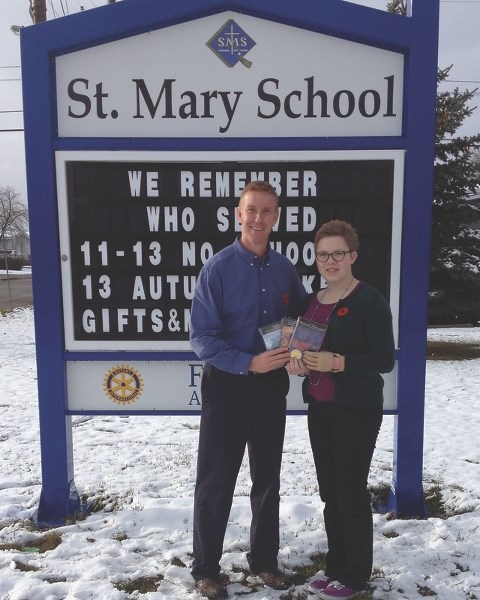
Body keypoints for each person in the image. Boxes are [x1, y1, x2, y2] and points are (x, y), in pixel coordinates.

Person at [189, 181, 306, 599]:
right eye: (251, 210)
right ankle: (205, 569)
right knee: (216, 481)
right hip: (227, 387)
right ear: (238, 214)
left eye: (267, 211)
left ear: (276, 217)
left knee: (267, 480)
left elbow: (299, 320)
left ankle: (265, 562)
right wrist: (247, 362)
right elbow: (202, 337)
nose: (259, 218)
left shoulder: (284, 269)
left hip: (271, 388)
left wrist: (299, 350)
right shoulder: (217, 269)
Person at [287, 220, 395, 600]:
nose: (329, 261)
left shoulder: (370, 300)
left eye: (337, 253)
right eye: (322, 254)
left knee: (349, 490)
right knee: (330, 491)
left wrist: (339, 363)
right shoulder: (312, 302)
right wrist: (296, 362)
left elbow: (384, 358)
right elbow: (300, 348)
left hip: (357, 409)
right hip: (321, 407)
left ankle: (355, 575)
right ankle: (335, 567)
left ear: (352, 256)